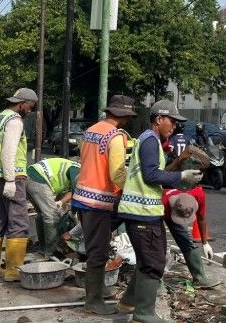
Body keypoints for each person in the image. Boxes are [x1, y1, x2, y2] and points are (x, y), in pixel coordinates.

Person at [117, 100, 203, 322]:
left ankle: (128, 302)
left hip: (142, 212)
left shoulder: (150, 140)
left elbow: (156, 175)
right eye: (171, 121)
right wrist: (181, 176)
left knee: (148, 260)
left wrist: (180, 176)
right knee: (153, 263)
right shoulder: (150, 141)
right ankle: (143, 314)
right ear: (158, 119)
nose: (174, 126)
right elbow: (151, 175)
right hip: (142, 213)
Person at [71, 94, 137, 315]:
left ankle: (96, 294)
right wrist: (135, 188)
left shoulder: (91, 131)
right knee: (98, 253)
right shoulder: (115, 137)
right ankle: (93, 301)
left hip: (82, 197)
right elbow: (117, 174)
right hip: (98, 201)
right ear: (124, 117)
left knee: (94, 249)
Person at [0, 87, 38, 282]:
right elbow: (8, 151)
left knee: (0, 221)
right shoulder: (15, 121)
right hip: (12, 177)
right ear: (22, 104)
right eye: (30, 106)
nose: (30, 110)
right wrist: (10, 179)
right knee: (19, 222)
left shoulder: (0, 118)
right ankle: (13, 271)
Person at [162, 186, 218, 288]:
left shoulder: (198, 193)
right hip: (158, 213)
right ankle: (156, 284)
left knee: (187, 241)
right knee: (156, 245)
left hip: (176, 211)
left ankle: (200, 278)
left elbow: (201, 217)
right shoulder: (163, 200)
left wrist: (205, 243)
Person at [26, 157, 80, 257]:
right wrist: (73, 213)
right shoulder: (76, 168)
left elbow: (71, 192)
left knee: (42, 214)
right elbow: (76, 192)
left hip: (30, 177)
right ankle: (52, 253)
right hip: (38, 179)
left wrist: (60, 202)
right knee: (52, 216)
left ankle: (42, 249)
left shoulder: (69, 169)